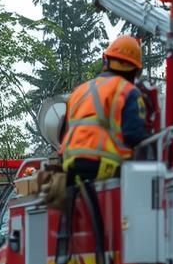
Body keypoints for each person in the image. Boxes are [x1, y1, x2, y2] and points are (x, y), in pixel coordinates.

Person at [59, 34, 149, 185]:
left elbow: (63, 132)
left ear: (106, 60)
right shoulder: (128, 91)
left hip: (70, 167)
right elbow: (134, 135)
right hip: (102, 166)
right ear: (135, 71)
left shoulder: (79, 91)